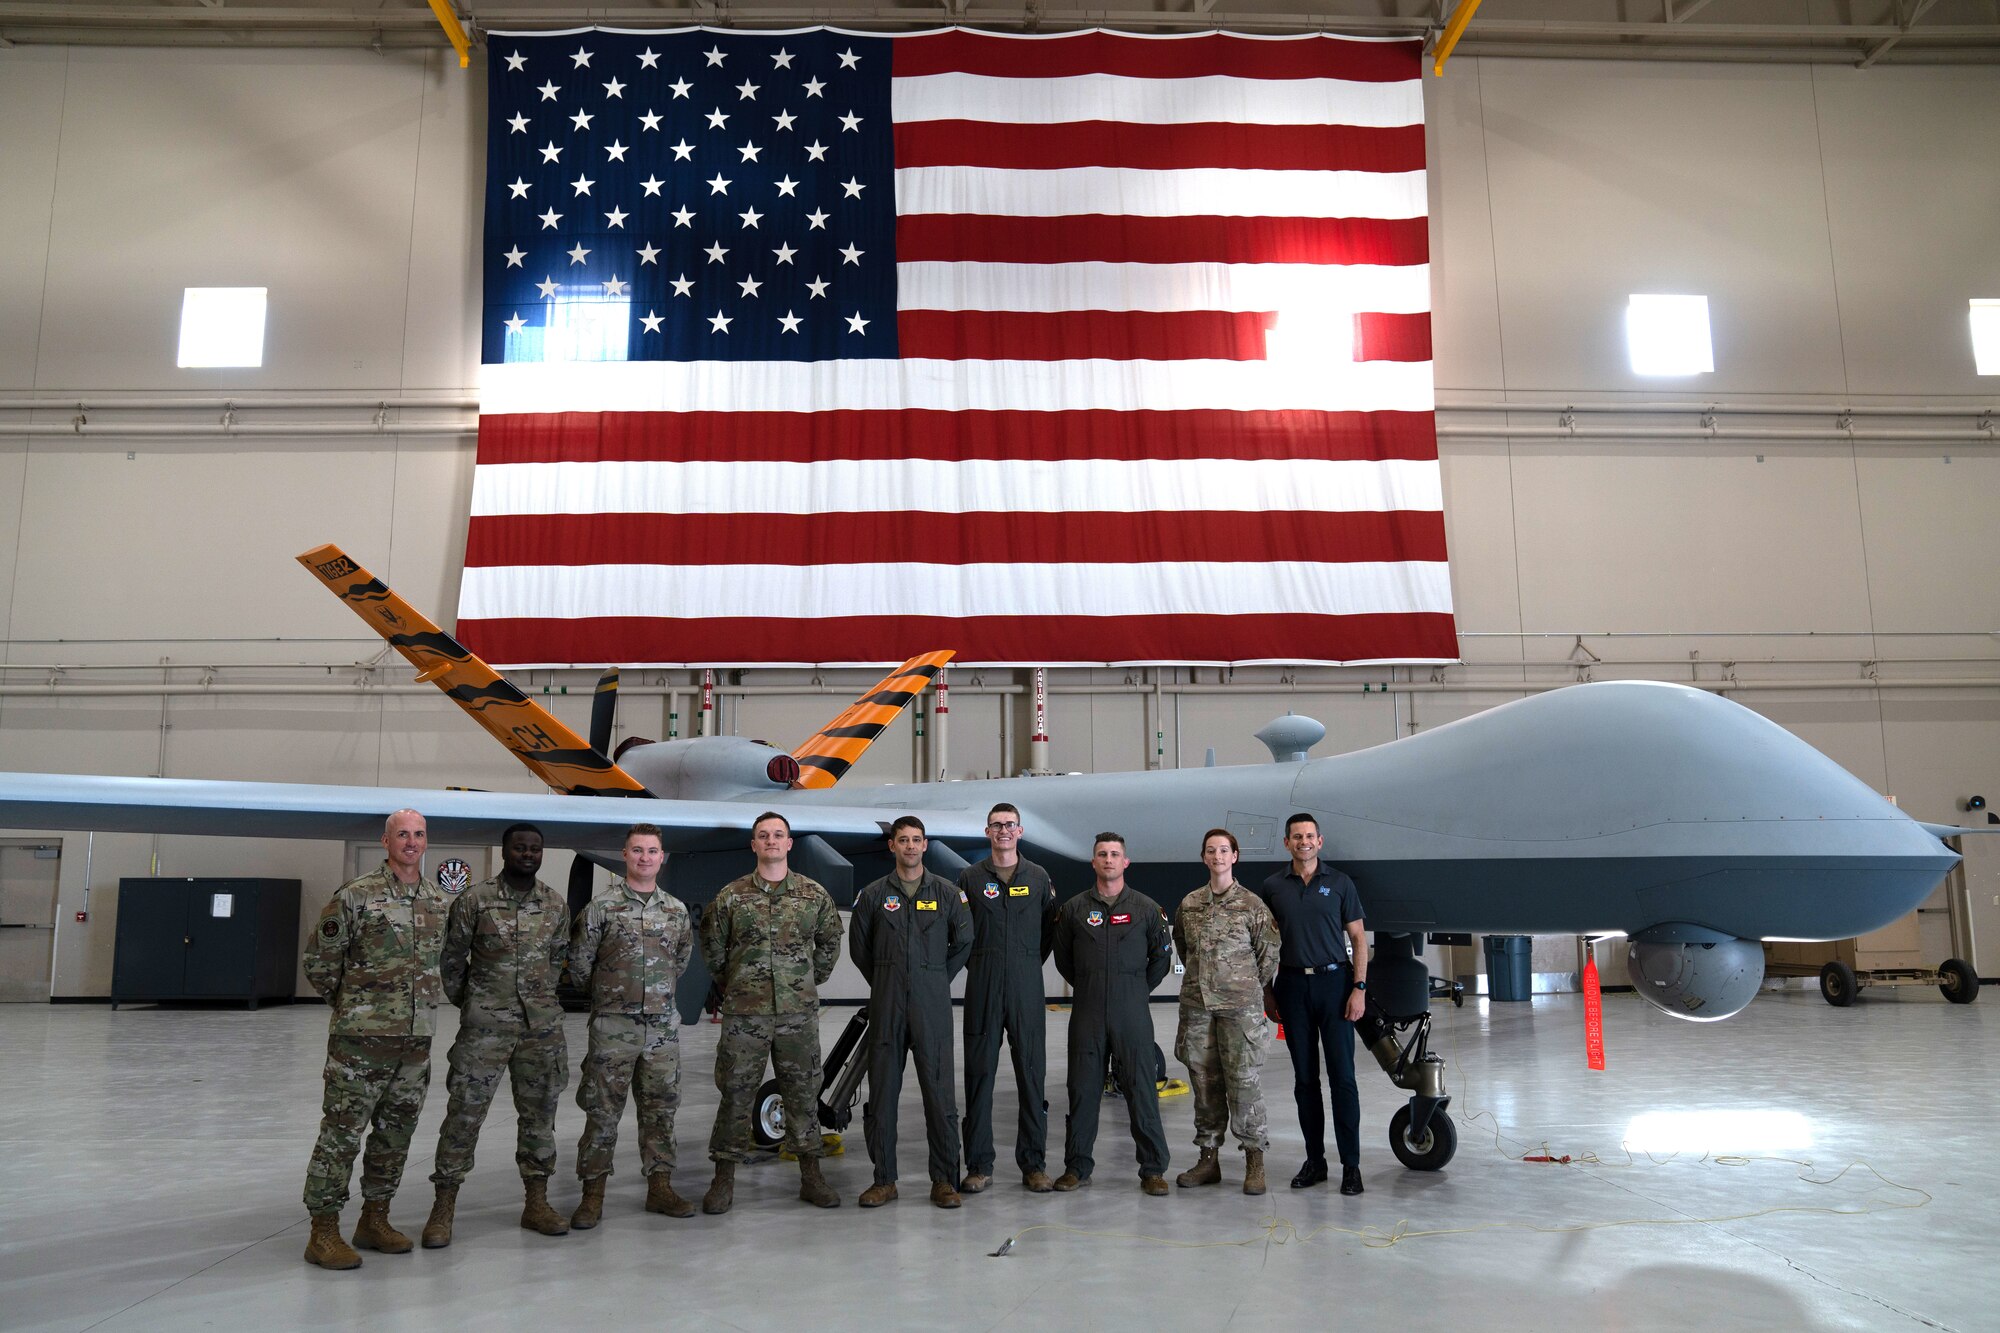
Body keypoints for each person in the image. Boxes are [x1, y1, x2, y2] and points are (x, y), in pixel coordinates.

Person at [299, 808, 449, 1270]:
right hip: (359, 1044)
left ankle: (375, 1219)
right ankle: (322, 1231)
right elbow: (320, 964)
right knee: (341, 1135)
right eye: (402, 834)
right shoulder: (356, 896)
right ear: (385, 842)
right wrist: (355, 1010)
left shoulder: (438, 901)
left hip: (415, 1042)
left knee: (395, 1135)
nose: (411, 842)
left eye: (419, 835)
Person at [422, 823, 571, 1247]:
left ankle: (536, 1203)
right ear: (505, 852)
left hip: (540, 1030)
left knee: (541, 1117)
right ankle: (443, 1207)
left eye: (535, 849)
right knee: (463, 1116)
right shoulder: (476, 900)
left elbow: (557, 957)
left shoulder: (554, 903)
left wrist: (539, 1000)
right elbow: (451, 959)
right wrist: (474, 1002)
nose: (528, 854)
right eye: (520, 848)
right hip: (484, 1029)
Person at [700, 812, 844, 1212]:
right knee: (735, 1093)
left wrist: (808, 979)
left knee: (803, 1093)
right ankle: (723, 1179)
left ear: (789, 843)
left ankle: (811, 1177)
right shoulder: (731, 896)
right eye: (763, 835)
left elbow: (831, 939)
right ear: (754, 845)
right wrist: (737, 983)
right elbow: (712, 949)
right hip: (746, 1014)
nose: (771, 841)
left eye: (778, 835)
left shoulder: (813, 895)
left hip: (797, 1015)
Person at [565, 823, 695, 1228]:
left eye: (652, 851)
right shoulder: (601, 909)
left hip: (661, 1031)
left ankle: (660, 1188)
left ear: (662, 857)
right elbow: (580, 966)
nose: (644, 857)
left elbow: (681, 960)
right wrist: (612, 1000)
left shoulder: (676, 910)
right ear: (624, 855)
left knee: (661, 1111)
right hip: (613, 1028)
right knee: (602, 1112)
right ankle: (592, 1194)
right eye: (637, 850)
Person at [849, 816, 975, 1209]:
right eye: (902, 840)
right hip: (887, 1005)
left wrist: (935, 976)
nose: (910, 846)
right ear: (892, 846)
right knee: (883, 1095)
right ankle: (884, 1179)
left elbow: (964, 940)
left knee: (940, 1097)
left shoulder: (948, 893)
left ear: (925, 845)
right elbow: (859, 949)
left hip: (932, 1005)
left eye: (916, 840)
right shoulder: (872, 895)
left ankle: (944, 1180)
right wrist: (886, 978)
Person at [1050, 832, 1174, 1195]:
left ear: (1125, 862)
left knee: (1140, 1088)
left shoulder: (1146, 908)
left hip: (1131, 1011)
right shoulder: (1073, 909)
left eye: (1115, 854)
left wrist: (1133, 990)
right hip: (1087, 1009)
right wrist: (1092, 984)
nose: (1108, 860)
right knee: (1083, 1090)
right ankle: (1076, 1166)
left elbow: (1160, 960)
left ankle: (1153, 1169)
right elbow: (1064, 960)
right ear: (1093, 862)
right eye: (1102, 854)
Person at [1258, 813, 1369, 1195]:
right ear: (1286, 843)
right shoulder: (1272, 887)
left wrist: (1359, 987)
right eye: (1296, 837)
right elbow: (1264, 945)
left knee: (1343, 1080)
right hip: (1290, 986)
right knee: (1305, 1081)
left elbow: (1358, 937)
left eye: (1309, 836)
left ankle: (1351, 1167)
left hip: (1335, 986)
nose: (1303, 842)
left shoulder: (1339, 883)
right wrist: (1267, 991)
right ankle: (1315, 1161)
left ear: (1320, 841)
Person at [1171, 829, 1282, 1195]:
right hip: (1199, 1008)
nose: (1217, 856)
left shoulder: (1252, 906)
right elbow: (1183, 945)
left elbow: (1267, 956)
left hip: (1240, 1011)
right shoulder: (1189, 904)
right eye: (1211, 851)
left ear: (1234, 856)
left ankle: (1254, 1159)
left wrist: (1242, 986)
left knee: (1244, 1083)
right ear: (1203, 857)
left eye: (1224, 850)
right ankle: (1208, 1159)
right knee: (1203, 1083)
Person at [956, 802, 1059, 1194]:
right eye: (996, 825)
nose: (1003, 831)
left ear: (1020, 831)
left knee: (1032, 1076)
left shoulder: (1037, 876)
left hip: (1026, 985)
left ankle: (1034, 1165)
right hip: (982, 985)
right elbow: (960, 933)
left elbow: (1050, 929)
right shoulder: (969, 878)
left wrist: (1025, 963)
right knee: (979, 1077)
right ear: (987, 832)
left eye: (1010, 825)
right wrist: (984, 964)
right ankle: (979, 1165)